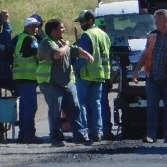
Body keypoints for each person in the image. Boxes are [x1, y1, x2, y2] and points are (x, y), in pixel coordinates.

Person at [134, 9, 167, 143]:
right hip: (152, 78)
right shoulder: (151, 36)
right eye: (155, 20)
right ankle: (151, 135)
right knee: (151, 106)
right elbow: (145, 54)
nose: (156, 23)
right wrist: (137, 70)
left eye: (158, 20)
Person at [37, 18, 92, 147]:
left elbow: (75, 51)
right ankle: (56, 138)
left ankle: (80, 136)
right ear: (53, 30)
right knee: (55, 111)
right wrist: (66, 45)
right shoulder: (46, 43)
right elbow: (57, 55)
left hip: (67, 83)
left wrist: (87, 55)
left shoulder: (61, 42)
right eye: (61, 28)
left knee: (75, 109)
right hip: (50, 83)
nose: (63, 30)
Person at [74, 10, 111, 142]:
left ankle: (84, 132)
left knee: (82, 104)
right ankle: (97, 132)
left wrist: (74, 66)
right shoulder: (103, 34)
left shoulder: (87, 35)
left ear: (90, 21)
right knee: (96, 104)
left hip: (86, 74)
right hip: (100, 74)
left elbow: (84, 57)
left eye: (82, 21)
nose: (81, 24)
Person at [11, 17, 42, 143]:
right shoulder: (30, 39)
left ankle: (23, 135)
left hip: (20, 78)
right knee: (30, 107)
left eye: (36, 26)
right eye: (32, 26)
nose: (35, 29)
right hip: (27, 78)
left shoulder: (20, 37)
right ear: (26, 27)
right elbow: (38, 52)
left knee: (24, 108)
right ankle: (29, 135)